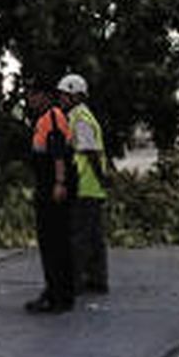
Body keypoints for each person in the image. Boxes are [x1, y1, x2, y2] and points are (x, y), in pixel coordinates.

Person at [25, 78, 74, 314]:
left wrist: (59, 182)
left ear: (44, 95)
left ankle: (57, 296)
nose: (29, 99)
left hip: (51, 189)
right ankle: (59, 292)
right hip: (47, 186)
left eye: (33, 94)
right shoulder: (48, 117)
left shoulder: (52, 118)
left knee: (53, 242)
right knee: (58, 241)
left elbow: (58, 155)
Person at [59, 74, 109, 296]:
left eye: (64, 95)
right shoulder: (79, 115)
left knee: (79, 236)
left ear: (75, 95)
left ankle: (77, 281)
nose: (61, 98)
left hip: (84, 185)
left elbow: (90, 152)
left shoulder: (79, 118)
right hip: (90, 185)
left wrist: (101, 179)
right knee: (93, 236)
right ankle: (97, 279)